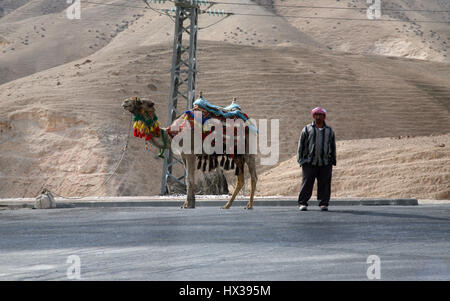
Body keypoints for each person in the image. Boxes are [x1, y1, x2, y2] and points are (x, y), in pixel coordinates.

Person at [297, 107, 336, 211]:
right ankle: (302, 203)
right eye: (316, 115)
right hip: (309, 162)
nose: (318, 117)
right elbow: (301, 145)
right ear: (313, 116)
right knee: (307, 183)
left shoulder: (329, 130)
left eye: (321, 115)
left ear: (324, 117)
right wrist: (301, 160)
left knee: (325, 183)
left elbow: (332, 146)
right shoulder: (307, 129)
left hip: (325, 162)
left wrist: (332, 160)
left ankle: (324, 203)